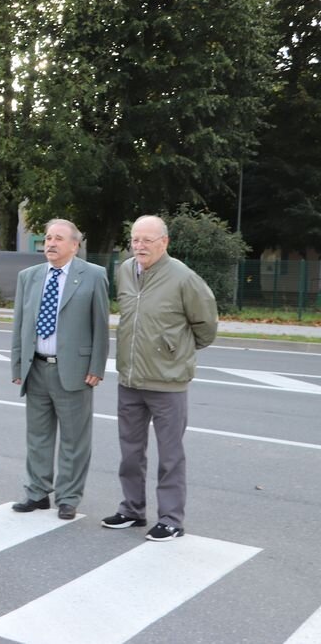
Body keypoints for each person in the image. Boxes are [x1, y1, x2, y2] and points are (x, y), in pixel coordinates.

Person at [102, 215, 218, 541]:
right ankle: (132, 509)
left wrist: (175, 352)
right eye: (135, 240)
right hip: (130, 378)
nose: (139, 246)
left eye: (147, 240)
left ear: (164, 242)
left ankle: (171, 519)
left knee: (170, 456)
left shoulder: (184, 278)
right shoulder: (125, 270)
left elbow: (206, 326)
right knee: (130, 452)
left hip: (168, 382)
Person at [9, 219, 110, 519]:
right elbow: (19, 324)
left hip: (75, 370)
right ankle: (37, 493)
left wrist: (97, 366)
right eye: (48, 238)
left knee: (74, 440)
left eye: (59, 239)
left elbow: (101, 325)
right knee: (37, 437)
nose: (50, 243)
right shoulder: (29, 276)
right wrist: (18, 363)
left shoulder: (93, 275)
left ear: (75, 245)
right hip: (36, 367)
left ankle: (68, 498)